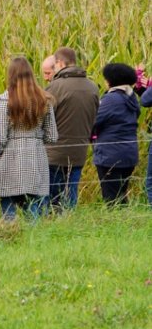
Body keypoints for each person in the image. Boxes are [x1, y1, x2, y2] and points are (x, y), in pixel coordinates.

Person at [0, 57, 58, 221]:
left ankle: (11, 234)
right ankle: (35, 240)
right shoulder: (44, 100)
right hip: (36, 158)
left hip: (9, 160)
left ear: (11, 75)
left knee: (8, 206)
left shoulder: (5, 101)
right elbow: (52, 136)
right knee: (33, 209)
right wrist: (35, 138)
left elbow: (1, 138)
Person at [45, 46, 98, 211]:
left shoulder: (55, 87)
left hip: (54, 153)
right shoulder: (93, 87)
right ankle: (69, 223)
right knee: (71, 195)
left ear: (60, 63)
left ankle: (54, 228)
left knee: (53, 199)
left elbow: (44, 119)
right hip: (79, 151)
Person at [91, 62, 140, 205]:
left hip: (110, 155)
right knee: (121, 194)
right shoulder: (131, 98)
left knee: (111, 198)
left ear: (111, 80)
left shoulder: (111, 99)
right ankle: (125, 223)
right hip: (129, 154)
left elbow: (95, 121)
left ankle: (117, 223)